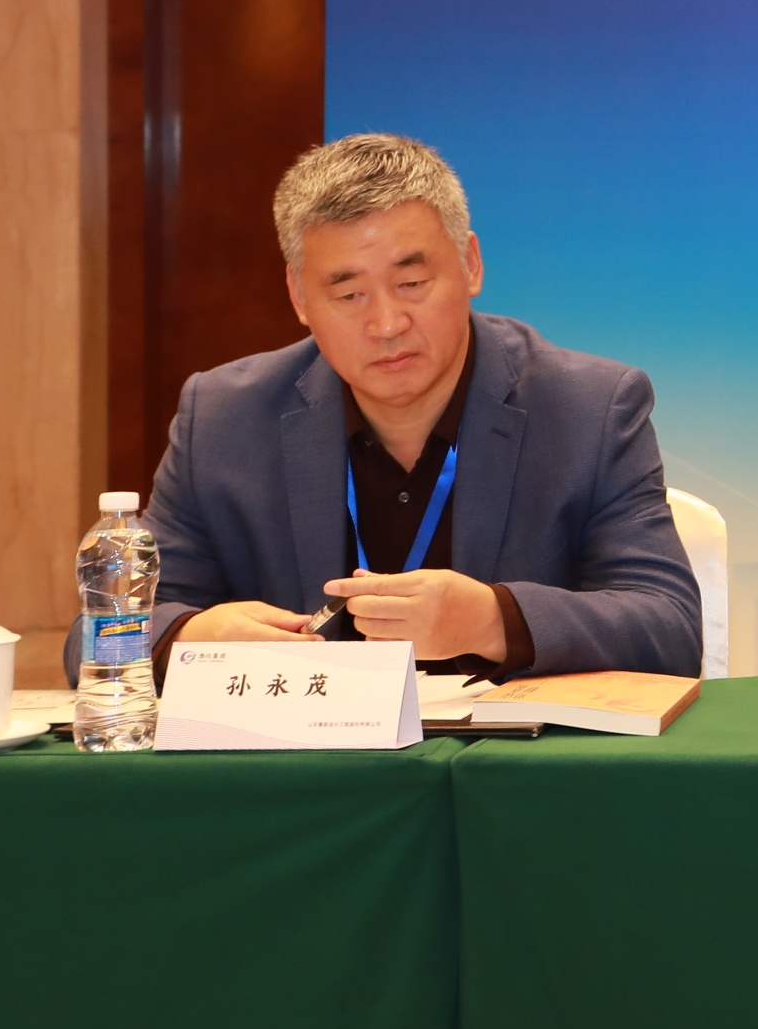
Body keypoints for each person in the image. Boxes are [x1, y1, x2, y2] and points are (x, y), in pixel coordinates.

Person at [118, 133, 704, 680]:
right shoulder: (222, 418)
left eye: (412, 284)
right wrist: (192, 636)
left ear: (470, 264)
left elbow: (670, 626)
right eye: (349, 294)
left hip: (503, 753)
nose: (386, 324)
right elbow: (101, 634)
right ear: (299, 297)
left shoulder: (589, 409)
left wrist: (492, 620)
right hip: (306, 753)